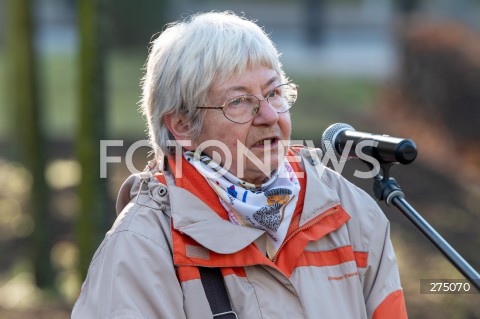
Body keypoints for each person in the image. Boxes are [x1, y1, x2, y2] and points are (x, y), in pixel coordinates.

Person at [72, 11, 408, 319]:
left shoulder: (351, 215)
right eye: (240, 101)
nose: (270, 115)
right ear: (183, 126)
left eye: (274, 93)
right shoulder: (141, 247)